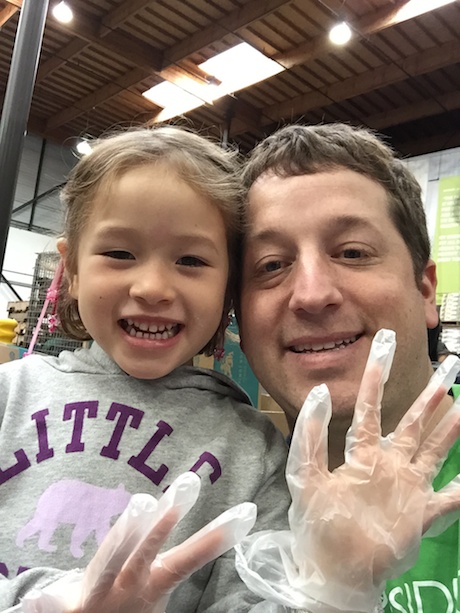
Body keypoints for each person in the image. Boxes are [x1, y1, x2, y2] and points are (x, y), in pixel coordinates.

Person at [0, 126, 291, 612]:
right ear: (71, 271)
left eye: (191, 260)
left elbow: (254, 597)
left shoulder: (254, 450)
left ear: (229, 286)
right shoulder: (10, 396)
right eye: (119, 253)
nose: (153, 286)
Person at [236, 123, 460, 612]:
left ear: (425, 291)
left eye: (353, 252)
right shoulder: (215, 493)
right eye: (271, 265)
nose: (312, 295)